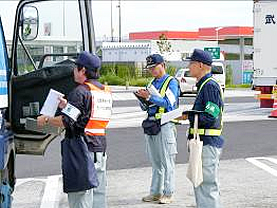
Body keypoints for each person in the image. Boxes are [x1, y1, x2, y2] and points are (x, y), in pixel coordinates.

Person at [37, 51, 112, 208]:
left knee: (80, 198)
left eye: (75, 67)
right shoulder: (104, 91)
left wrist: (46, 119)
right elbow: (87, 114)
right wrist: (67, 106)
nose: (73, 71)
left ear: (82, 70)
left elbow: (66, 121)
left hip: (81, 151)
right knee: (98, 197)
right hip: (99, 149)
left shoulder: (80, 92)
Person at [135, 54, 179, 204]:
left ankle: (168, 193)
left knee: (167, 161)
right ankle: (155, 192)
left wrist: (149, 97)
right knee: (156, 162)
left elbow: (169, 103)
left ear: (163, 65)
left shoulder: (171, 82)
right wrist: (142, 99)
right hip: (152, 124)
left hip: (166, 124)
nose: (152, 70)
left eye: (154, 67)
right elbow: (146, 107)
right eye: (150, 68)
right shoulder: (151, 83)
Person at [183, 49, 224, 208]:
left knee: (206, 185)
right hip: (204, 142)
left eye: (191, 63)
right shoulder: (205, 85)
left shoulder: (209, 86)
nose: (188, 66)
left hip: (207, 143)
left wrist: (189, 116)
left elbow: (210, 116)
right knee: (201, 184)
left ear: (200, 65)